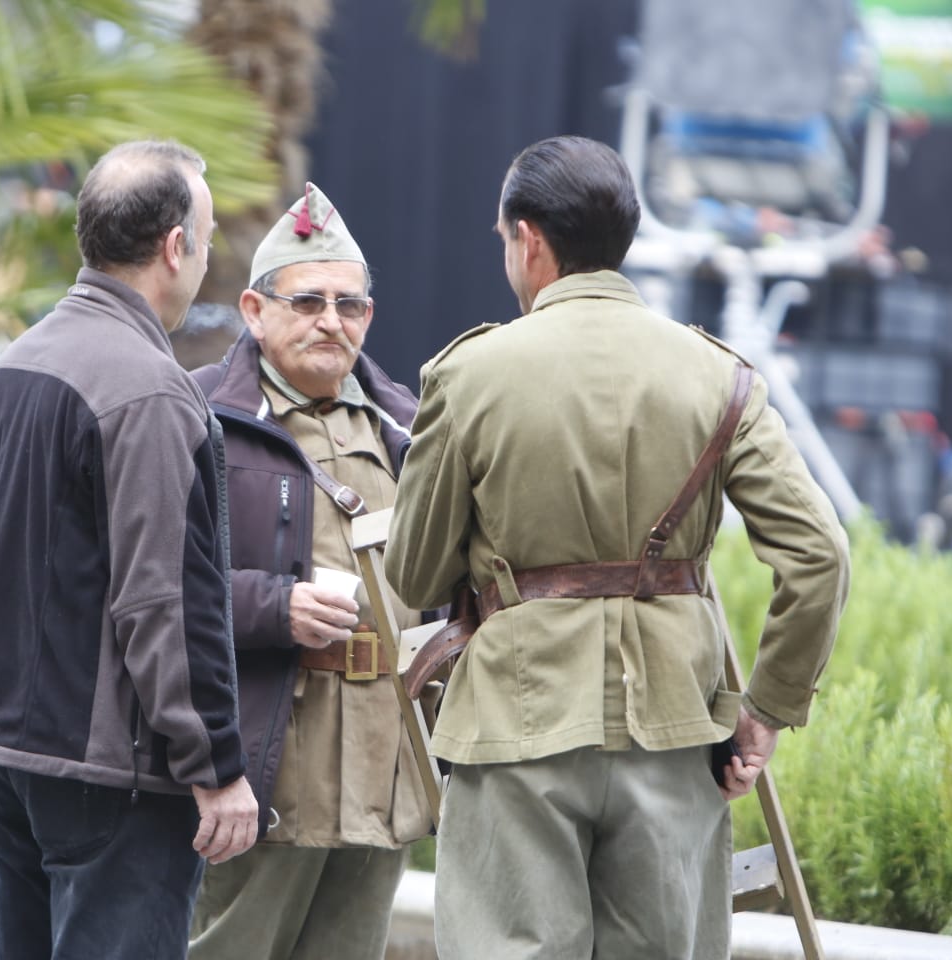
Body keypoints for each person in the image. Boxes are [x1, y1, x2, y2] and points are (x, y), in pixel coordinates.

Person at [385, 135, 851, 960]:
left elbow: (415, 571)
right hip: (675, 727)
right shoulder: (720, 376)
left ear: (529, 239)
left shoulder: (470, 374)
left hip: (516, 722)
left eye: (504, 240)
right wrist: (767, 711)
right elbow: (819, 556)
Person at [0, 139, 258, 960]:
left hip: (1, 752)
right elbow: (164, 601)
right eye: (209, 233)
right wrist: (215, 764)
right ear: (174, 246)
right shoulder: (151, 393)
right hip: (104, 775)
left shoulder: (15, 364)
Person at [187, 182, 431, 960]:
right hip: (268, 755)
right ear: (253, 312)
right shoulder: (200, 417)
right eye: (308, 301)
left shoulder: (411, 425)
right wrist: (274, 606)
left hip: (382, 757)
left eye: (350, 304)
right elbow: (148, 589)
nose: (332, 320)